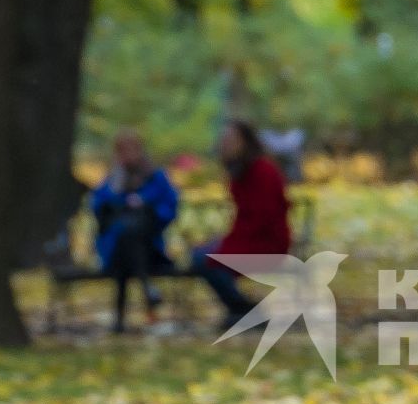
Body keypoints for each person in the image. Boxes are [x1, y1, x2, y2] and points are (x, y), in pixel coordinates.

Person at [192, 119, 292, 324]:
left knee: (206, 260)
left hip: (266, 243)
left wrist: (227, 244)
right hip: (249, 238)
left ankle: (245, 311)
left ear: (245, 141)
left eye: (231, 140)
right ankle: (241, 309)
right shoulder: (241, 170)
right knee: (200, 255)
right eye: (224, 140)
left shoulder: (263, 171)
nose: (225, 144)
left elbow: (263, 217)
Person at [89, 131, 178, 333]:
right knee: (126, 240)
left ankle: (119, 319)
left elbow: (169, 208)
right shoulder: (113, 179)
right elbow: (98, 207)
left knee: (130, 238)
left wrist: (144, 203)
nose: (128, 155)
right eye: (123, 150)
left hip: (150, 247)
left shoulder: (155, 177)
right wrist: (117, 195)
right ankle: (146, 287)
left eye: (132, 149)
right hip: (116, 250)